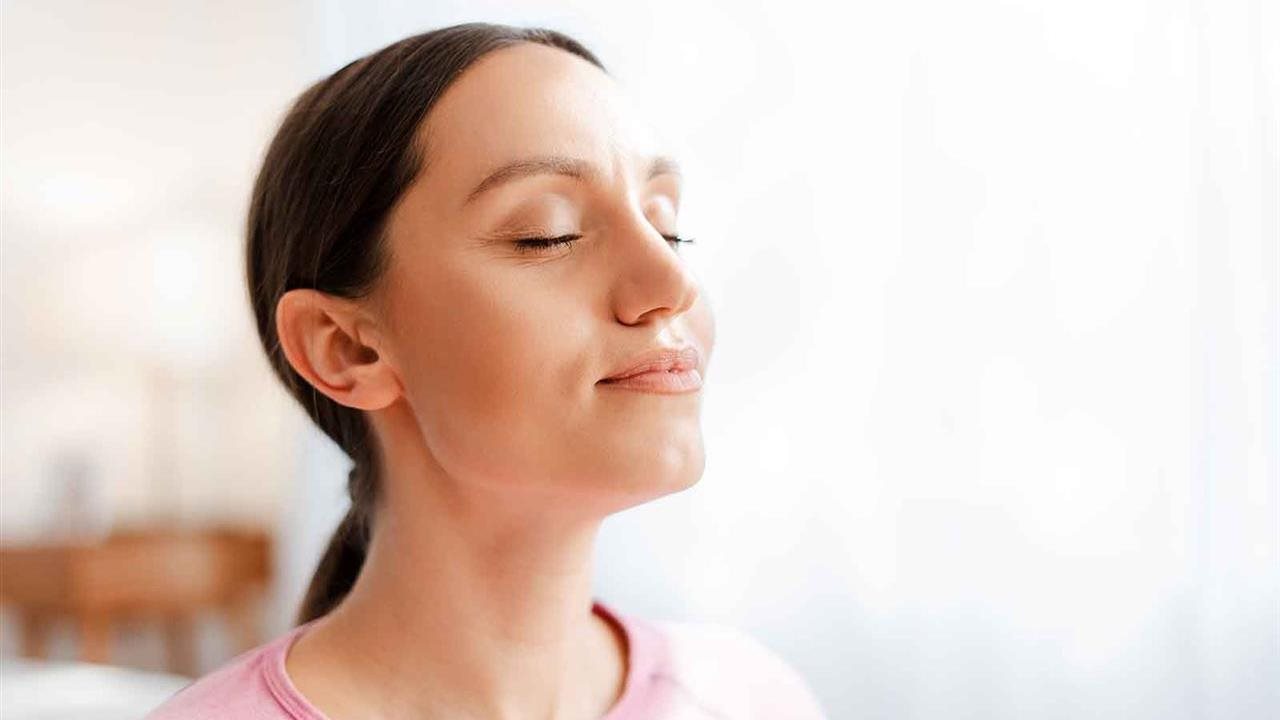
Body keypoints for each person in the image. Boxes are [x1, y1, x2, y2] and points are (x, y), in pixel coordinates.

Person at [146, 21, 828, 720]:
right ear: (348, 349)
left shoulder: (751, 697)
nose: (671, 280)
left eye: (666, 226)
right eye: (548, 232)